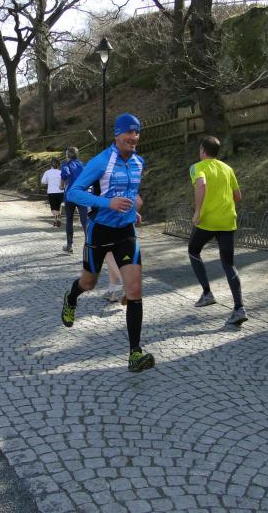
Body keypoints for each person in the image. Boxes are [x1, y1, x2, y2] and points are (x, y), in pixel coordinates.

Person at [59, 112, 154, 373]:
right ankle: (71, 297)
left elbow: (131, 191)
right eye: (129, 132)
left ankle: (135, 353)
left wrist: (133, 208)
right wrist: (107, 203)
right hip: (99, 231)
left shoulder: (139, 162)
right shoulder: (101, 161)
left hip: (125, 232)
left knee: (134, 289)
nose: (133, 137)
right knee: (88, 283)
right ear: (117, 134)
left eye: (137, 133)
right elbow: (74, 192)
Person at [188, 135, 247, 327]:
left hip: (207, 221)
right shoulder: (228, 168)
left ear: (202, 150)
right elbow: (238, 195)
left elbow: (201, 184)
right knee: (228, 264)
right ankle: (239, 308)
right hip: (228, 220)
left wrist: (198, 211)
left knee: (193, 250)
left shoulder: (197, 167)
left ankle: (207, 293)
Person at [60, 146, 87, 253]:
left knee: (69, 220)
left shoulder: (65, 164)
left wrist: (61, 185)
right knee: (85, 220)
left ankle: (69, 245)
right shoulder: (83, 165)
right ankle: (89, 244)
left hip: (70, 196)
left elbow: (65, 174)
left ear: (68, 155)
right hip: (82, 195)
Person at [41, 159, 63, 228]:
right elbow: (64, 181)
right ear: (58, 165)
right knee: (58, 206)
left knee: (53, 207)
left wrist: (49, 181)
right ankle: (57, 219)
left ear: (51, 165)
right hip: (60, 192)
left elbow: (43, 181)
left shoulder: (47, 172)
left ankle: (56, 221)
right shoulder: (61, 172)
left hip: (51, 192)